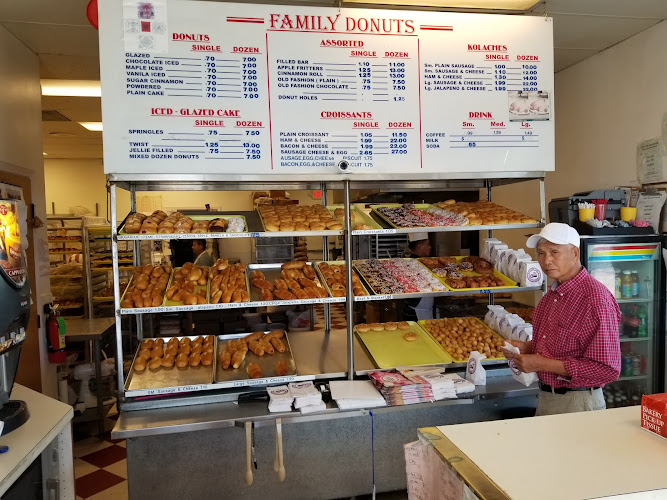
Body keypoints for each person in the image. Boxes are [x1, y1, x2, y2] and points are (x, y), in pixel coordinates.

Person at [502, 223, 621, 416]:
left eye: (554, 252)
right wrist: (528, 348)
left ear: (575, 253)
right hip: (548, 398)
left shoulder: (595, 299)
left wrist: (541, 363)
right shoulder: (553, 294)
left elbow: (607, 369)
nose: (546, 260)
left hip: (578, 403)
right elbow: (564, 345)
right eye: (541, 253)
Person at [404, 233, 434, 320]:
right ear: (419, 246)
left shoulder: (414, 261)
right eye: (427, 244)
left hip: (421, 309)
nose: (430, 247)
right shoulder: (414, 265)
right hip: (415, 313)